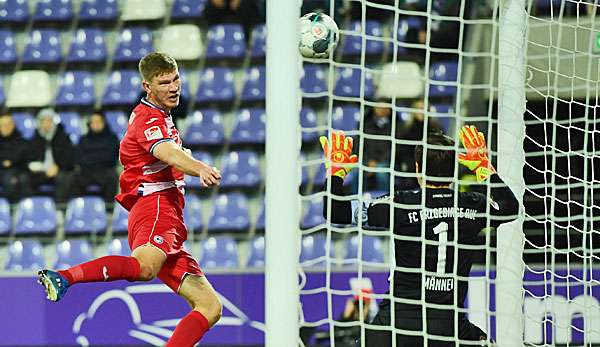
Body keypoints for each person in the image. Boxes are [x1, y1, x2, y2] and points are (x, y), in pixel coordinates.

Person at [37, 52, 223, 346]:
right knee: (145, 268)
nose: (174, 87)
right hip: (157, 206)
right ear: (147, 86)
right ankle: (65, 277)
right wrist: (198, 166)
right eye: (164, 82)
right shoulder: (148, 119)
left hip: (166, 213)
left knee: (210, 307)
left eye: (175, 79)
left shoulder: (158, 114)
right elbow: (165, 152)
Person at [321, 127, 519, 346]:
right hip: (448, 326)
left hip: (396, 325)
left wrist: (335, 175)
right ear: (455, 169)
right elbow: (510, 207)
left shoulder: (399, 204)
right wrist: (485, 168)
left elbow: (334, 210)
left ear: (417, 169)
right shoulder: (473, 204)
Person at [27, 108, 75, 204]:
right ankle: (33, 207)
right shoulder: (35, 138)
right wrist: (36, 166)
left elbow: (70, 158)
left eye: (48, 120)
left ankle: (60, 208)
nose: (46, 124)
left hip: (60, 170)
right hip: (41, 171)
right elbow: (30, 157)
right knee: (25, 178)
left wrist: (58, 167)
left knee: (64, 178)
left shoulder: (63, 137)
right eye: (43, 121)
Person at [72, 111, 120, 203]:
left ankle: (109, 209)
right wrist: (98, 158)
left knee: (112, 177)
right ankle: (78, 206)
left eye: (98, 122)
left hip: (105, 171)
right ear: (89, 124)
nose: (96, 124)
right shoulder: (84, 139)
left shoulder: (111, 138)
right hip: (87, 172)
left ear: (103, 123)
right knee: (74, 177)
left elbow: (111, 158)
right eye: (93, 122)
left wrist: (91, 158)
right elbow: (79, 158)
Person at [0, 113, 31, 202]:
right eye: (3, 125)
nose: (6, 127)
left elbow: (24, 158)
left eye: (8, 124)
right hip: (2, 172)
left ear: (14, 125)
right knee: (9, 180)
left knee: (24, 179)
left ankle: (26, 209)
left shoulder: (22, 141)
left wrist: (10, 162)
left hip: (19, 170)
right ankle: (10, 210)